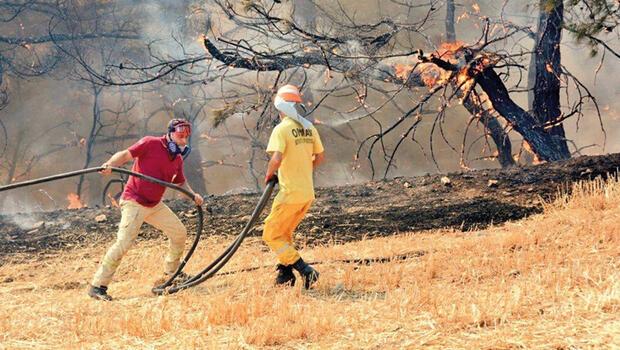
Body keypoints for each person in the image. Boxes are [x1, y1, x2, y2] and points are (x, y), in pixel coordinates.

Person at [88, 118, 204, 301]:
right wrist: (110, 164)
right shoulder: (150, 143)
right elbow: (126, 155)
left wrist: (192, 195)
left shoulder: (177, 159)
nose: (183, 141)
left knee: (179, 233)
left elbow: (180, 182)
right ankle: (98, 286)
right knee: (124, 243)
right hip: (134, 202)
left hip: (154, 204)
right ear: (170, 134)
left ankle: (171, 273)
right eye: (180, 136)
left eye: (186, 138)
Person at [263, 84, 325, 289]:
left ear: (279, 106)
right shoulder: (309, 127)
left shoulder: (281, 129)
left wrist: (269, 174)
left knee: (270, 233)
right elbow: (320, 157)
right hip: (307, 193)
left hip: (290, 193)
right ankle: (285, 274)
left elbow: (277, 157)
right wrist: (304, 169)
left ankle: (304, 269)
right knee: (284, 233)